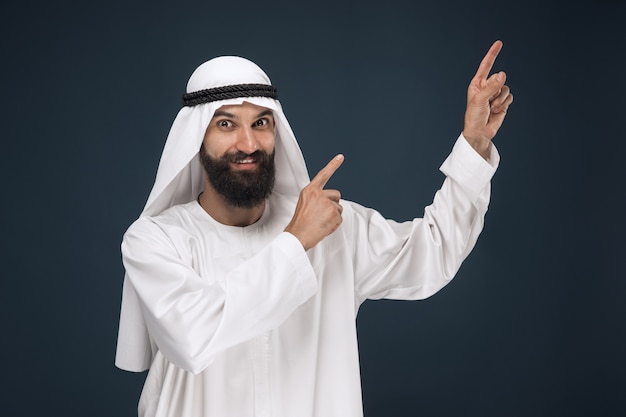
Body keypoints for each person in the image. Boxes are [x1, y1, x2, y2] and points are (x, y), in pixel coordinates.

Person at [116, 40, 513, 417]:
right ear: (196, 138)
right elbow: (192, 335)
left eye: (261, 122)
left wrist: (474, 143)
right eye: (225, 124)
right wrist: (296, 240)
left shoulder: (331, 227)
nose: (248, 142)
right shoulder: (154, 241)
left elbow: (433, 253)